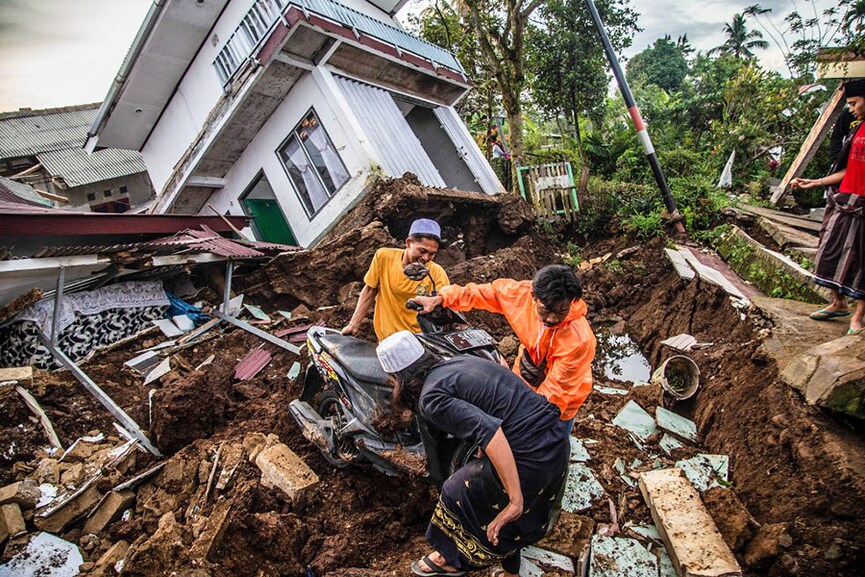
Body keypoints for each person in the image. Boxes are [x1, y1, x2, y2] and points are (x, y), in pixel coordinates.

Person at [375, 331, 569, 577]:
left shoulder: (431, 399)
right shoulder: (457, 362)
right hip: (555, 440)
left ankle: (449, 557)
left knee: (455, 490)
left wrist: (514, 501)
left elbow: (491, 433)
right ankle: (511, 572)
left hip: (531, 455)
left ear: (398, 378)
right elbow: (491, 414)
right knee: (493, 498)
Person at [410, 265, 595, 434]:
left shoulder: (578, 340)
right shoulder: (520, 295)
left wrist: (524, 422)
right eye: (546, 310)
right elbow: (486, 292)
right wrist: (442, 298)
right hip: (526, 374)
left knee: (551, 442)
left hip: (561, 401)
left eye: (561, 311)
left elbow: (556, 395)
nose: (553, 319)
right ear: (534, 297)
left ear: (572, 302)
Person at [792, 79, 865, 334]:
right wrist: (815, 182)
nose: (852, 109)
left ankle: (857, 317)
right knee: (828, 251)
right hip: (845, 199)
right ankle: (838, 302)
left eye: (854, 103)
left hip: (862, 206)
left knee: (861, 260)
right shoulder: (856, 131)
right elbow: (846, 169)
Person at [341, 218, 449, 340]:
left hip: (418, 340)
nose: (426, 258)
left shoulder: (436, 272)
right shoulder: (384, 257)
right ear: (408, 243)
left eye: (432, 254)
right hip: (387, 339)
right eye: (422, 251)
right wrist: (353, 325)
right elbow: (370, 290)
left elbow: (445, 302)